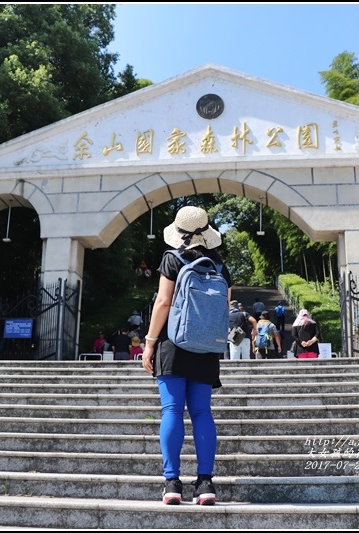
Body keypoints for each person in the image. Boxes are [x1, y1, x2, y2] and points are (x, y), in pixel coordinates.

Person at [141, 205, 231, 506]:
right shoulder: (219, 266)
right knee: (202, 412)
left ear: (178, 233)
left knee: (171, 410)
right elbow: (223, 310)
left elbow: (163, 302)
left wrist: (150, 343)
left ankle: (172, 484)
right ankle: (205, 484)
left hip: (173, 344)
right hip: (205, 347)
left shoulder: (172, 258)